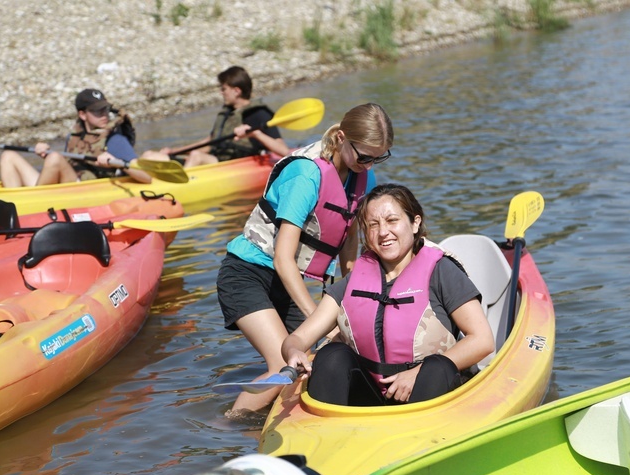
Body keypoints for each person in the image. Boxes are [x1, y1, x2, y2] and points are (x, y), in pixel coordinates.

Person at [217, 103, 393, 414]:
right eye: (364, 156)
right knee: (284, 362)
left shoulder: (361, 174)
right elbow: (284, 259)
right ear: (341, 138)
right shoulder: (306, 174)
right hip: (247, 274)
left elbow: (349, 235)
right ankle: (228, 426)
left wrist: (349, 298)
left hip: (285, 283)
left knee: (312, 361)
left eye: (378, 158)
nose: (368, 165)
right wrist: (321, 319)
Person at [281, 184, 495, 406]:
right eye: (373, 225)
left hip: (430, 393)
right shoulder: (354, 281)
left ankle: (421, 433)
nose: (383, 232)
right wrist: (294, 351)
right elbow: (296, 338)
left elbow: (482, 340)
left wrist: (416, 374)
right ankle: (324, 430)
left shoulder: (442, 272)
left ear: (415, 223)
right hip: (371, 393)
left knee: (436, 367)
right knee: (332, 354)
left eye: (392, 221)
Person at [142, 66, 290, 167]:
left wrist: (256, 133)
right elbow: (210, 143)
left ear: (236, 91)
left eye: (224, 89)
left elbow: (283, 151)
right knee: (150, 155)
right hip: (214, 160)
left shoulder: (259, 114)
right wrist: (174, 151)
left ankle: (176, 193)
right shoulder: (227, 113)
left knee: (196, 156)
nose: (221, 92)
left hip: (235, 164)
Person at [0, 89, 151, 187]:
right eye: (97, 111)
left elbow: (146, 177)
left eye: (105, 110)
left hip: (87, 189)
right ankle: (12, 205)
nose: (104, 115)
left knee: (55, 158)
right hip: (70, 184)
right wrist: (46, 154)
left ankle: (30, 204)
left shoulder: (115, 140)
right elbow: (68, 165)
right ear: (82, 114)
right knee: (8, 156)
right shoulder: (74, 136)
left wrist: (117, 163)